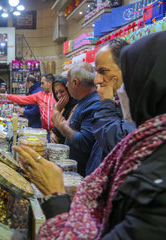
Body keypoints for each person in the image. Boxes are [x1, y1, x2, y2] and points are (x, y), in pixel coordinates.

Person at [14, 32, 166, 239]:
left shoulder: (156, 166)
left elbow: (103, 140)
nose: (97, 80)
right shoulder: (147, 140)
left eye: (131, 77)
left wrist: (56, 197)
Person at [86, 39, 136, 175]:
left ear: (125, 68)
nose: (97, 80)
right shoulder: (119, 101)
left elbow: (119, 144)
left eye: (103, 71)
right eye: (96, 72)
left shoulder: (141, 105)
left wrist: (107, 104)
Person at [52, 63, 100, 176]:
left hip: (82, 173)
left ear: (75, 82)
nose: (67, 85)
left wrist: (65, 128)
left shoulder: (93, 104)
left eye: (68, 81)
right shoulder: (83, 102)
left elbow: (85, 142)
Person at [50, 77, 78, 144]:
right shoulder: (63, 107)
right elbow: (56, 127)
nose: (59, 96)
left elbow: (66, 131)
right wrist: (53, 134)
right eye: (56, 93)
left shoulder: (76, 106)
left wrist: (57, 110)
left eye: (62, 91)